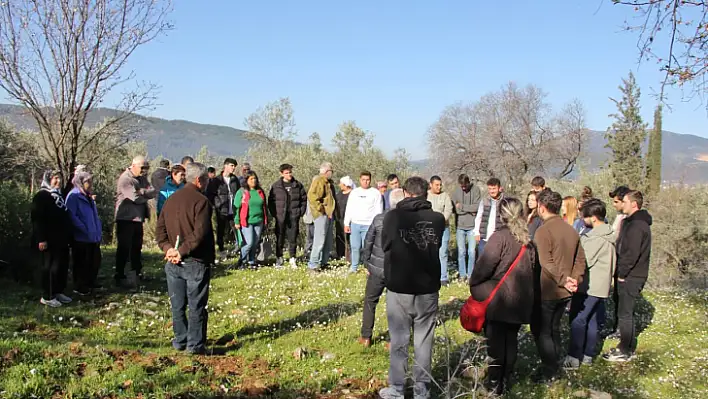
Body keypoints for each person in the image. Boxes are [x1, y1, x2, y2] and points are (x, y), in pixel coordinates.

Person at [378, 177, 445, 399]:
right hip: (427, 289)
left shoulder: (393, 217)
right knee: (424, 341)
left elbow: (385, 244)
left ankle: (397, 389)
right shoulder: (438, 219)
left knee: (399, 340)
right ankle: (421, 392)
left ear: (405, 193)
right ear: (426, 193)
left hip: (399, 287)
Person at [469, 197, 535, 395]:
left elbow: (484, 266)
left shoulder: (500, 238)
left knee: (496, 343)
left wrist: (475, 283)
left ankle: (494, 383)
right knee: (511, 339)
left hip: (499, 299)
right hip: (521, 299)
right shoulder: (527, 239)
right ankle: (506, 379)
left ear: (501, 215)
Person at [156, 162, 214, 355]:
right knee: (196, 304)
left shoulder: (171, 200)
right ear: (199, 180)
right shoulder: (202, 201)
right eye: (205, 180)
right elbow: (200, 233)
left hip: (173, 261)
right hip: (194, 261)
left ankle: (180, 340)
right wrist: (181, 251)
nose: (207, 183)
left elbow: (160, 230)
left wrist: (168, 249)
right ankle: (194, 345)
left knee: (178, 304)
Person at [532, 189, 586, 381]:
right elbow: (581, 261)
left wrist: (564, 280)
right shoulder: (571, 229)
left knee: (543, 331)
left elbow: (547, 263)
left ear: (542, 207)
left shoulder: (543, 231)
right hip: (567, 290)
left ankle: (549, 369)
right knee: (554, 328)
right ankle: (554, 365)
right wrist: (575, 279)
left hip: (549, 290)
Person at [564, 198, 616, 369]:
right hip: (601, 286)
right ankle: (588, 354)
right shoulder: (608, 234)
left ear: (593, 217)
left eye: (584, 216)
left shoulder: (595, 238)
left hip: (590, 285)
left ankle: (574, 357)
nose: (582, 220)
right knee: (592, 321)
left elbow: (583, 260)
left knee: (578, 320)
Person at [603, 190, 652, 363]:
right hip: (630, 274)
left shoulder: (637, 225)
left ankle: (625, 349)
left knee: (625, 314)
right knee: (625, 312)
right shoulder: (632, 222)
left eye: (624, 201)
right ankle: (627, 345)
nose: (621, 204)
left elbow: (631, 253)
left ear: (633, 203)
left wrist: (622, 274)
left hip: (632, 276)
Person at [358, 188, 405, 348]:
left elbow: (368, 242)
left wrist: (366, 263)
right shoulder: (407, 221)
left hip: (377, 269)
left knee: (370, 301)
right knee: (396, 306)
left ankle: (366, 337)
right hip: (397, 270)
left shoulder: (378, 219)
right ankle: (393, 340)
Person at [32, 170, 73, 307]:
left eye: (60, 178)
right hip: (49, 240)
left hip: (61, 239)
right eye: (55, 178)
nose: (59, 181)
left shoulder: (58, 197)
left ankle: (58, 291)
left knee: (61, 266)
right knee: (50, 267)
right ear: (48, 179)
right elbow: (38, 219)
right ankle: (47, 295)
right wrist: (41, 239)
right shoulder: (42, 196)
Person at [115, 156, 156, 287]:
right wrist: (144, 194)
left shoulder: (141, 179)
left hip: (138, 218)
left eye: (147, 168)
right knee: (124, 248)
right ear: (134, 165)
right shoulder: (126, 179)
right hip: (126, 218)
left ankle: (136, 273)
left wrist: (142, 191)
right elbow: (135, 198)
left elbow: (153, 191)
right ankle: (120, 275)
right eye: (142, 167)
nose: (145, 170)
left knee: (136, 248)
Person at [66, 171, 103, 296]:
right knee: (81, 262)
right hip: (81, 237)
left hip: (93, 236)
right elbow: (71, 215)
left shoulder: (88, 195)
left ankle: (90, 283)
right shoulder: (74, 196)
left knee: (94, 261)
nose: (90, 184)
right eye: (88, 182)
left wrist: (97, 230)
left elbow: (94, 216)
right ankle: (80, 286)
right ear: (80, 182)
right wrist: (83, 228)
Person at [268, 163, 307, 268]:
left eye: (290, 172)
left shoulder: (297, 185)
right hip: (280, 218)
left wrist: (300, 212)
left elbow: (304, 199)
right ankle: (279, 258)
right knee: (279, 238)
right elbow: (271, 201)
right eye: (286, 173)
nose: (289, 174)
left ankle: (292, 258)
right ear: (281, 173)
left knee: (293, 238)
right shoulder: (276, 186)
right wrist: (275, 214)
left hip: (293, 217)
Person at [344, 171, 383, 273]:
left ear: (370, 180)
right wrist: (346, 223)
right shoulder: (354, 193)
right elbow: (349, 208)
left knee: (367, 248)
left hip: (369, 225)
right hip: (355, 224)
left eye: (367, 180)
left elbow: (378, 210)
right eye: (363, 180)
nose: (365, 182)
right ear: (360, 180)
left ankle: (367, 267)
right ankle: (354, 267)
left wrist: (376, 225)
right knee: (355, 247)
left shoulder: (375, 193)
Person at [233, 171, 268, 269]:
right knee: (249, 243)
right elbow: (236, 207)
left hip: (259, 220)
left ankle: (251, 261)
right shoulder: (242, 192)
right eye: (251, 179)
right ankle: (242, 261)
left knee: (255, 243)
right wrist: (236, 221)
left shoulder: (259, 191)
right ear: (246, 180)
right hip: (246, 222)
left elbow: (264, 206)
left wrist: (266, 220)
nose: (254, 181)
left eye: (255, 178)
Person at [451, 174, 482, 281]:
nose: (463, 188)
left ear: (468, 183)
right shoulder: (456, 192)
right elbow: (456, 210)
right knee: (461, 252)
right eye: (461, 186)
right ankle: (462, 274)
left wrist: (463, 207)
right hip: (460, 226)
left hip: (472, 227)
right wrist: (470, 210)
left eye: (465, 186)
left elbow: (477, 207)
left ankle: (470, 275)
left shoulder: (476, 190)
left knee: (472, 252)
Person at [307, 162, 337, 272]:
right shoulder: (319, 181)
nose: (332, 173)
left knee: (327, 241)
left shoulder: (328, 183)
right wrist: (321, 209)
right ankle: (313, 264)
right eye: (331, 171)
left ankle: (323, 262)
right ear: (326, 172)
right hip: (322, 215)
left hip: (328, 215)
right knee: (319, 240)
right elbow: (312, 196)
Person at [210, 158, 240, 258]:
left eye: (234, 166)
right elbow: (211, 195)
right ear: (225, 166)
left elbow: (239, 192)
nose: (234, 168)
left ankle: (238, 248)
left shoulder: (235, 179)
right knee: (221, 230)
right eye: (232, 165)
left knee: (237, 229)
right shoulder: (216, 180)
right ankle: (221, 249)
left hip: (234, 209)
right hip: (222, 210)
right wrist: (218, 205)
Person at [427, 176, 453, 285]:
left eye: (440, 185)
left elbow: (448, 210)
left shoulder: (445, 196)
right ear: (431, 185)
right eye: (436, 185)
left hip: (443, 228)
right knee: (430, 252)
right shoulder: (426, 195)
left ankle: (443, 277)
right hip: (429, 228)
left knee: (443, 252)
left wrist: (441, 220)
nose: (439, 187)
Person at [473, 177, 505, 257]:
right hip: (484, 238)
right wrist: (476, 232)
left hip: (498, 238)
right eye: (490, 189)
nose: (492, 191)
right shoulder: (484, 201)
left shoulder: (505, 201)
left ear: (499, 188)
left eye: (494, 188)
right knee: (482, 261)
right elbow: (479, 217)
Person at [335, 176, 355, 261]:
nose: (339, 185)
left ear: (345, 185)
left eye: (341, 183)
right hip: (339, 220)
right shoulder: (339, 194)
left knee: (349, 239)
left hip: (349, 220)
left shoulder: (353, 194)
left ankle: (349, 257)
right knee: (339, 237)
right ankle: (340, 254)